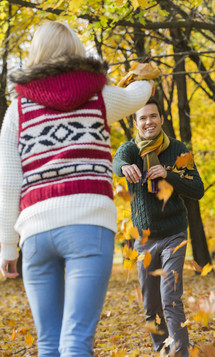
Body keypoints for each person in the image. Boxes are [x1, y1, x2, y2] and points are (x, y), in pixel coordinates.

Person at [0, 21, 154, 357]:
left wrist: (7, 248)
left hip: (36, 232)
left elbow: (8, 182)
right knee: (76, 340)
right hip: (89, 225)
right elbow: (139, 95)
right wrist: (144, 76)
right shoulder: (100, 98)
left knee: (49, 343)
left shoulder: (18, 111)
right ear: (77, 52)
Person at [113, 98, 204, 357]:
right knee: (151, 306)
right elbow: (117, 161)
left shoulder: (177, 149)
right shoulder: (130, 150)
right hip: (145, 240)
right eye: (142, 118)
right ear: (135, 123)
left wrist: (169, 174)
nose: (148, 122)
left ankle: (180, 354)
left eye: (153, 116)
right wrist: (126, 167)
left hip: (174, 234)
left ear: (161, 119)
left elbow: (197, 189)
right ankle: (162, 352)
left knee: (170, 298)